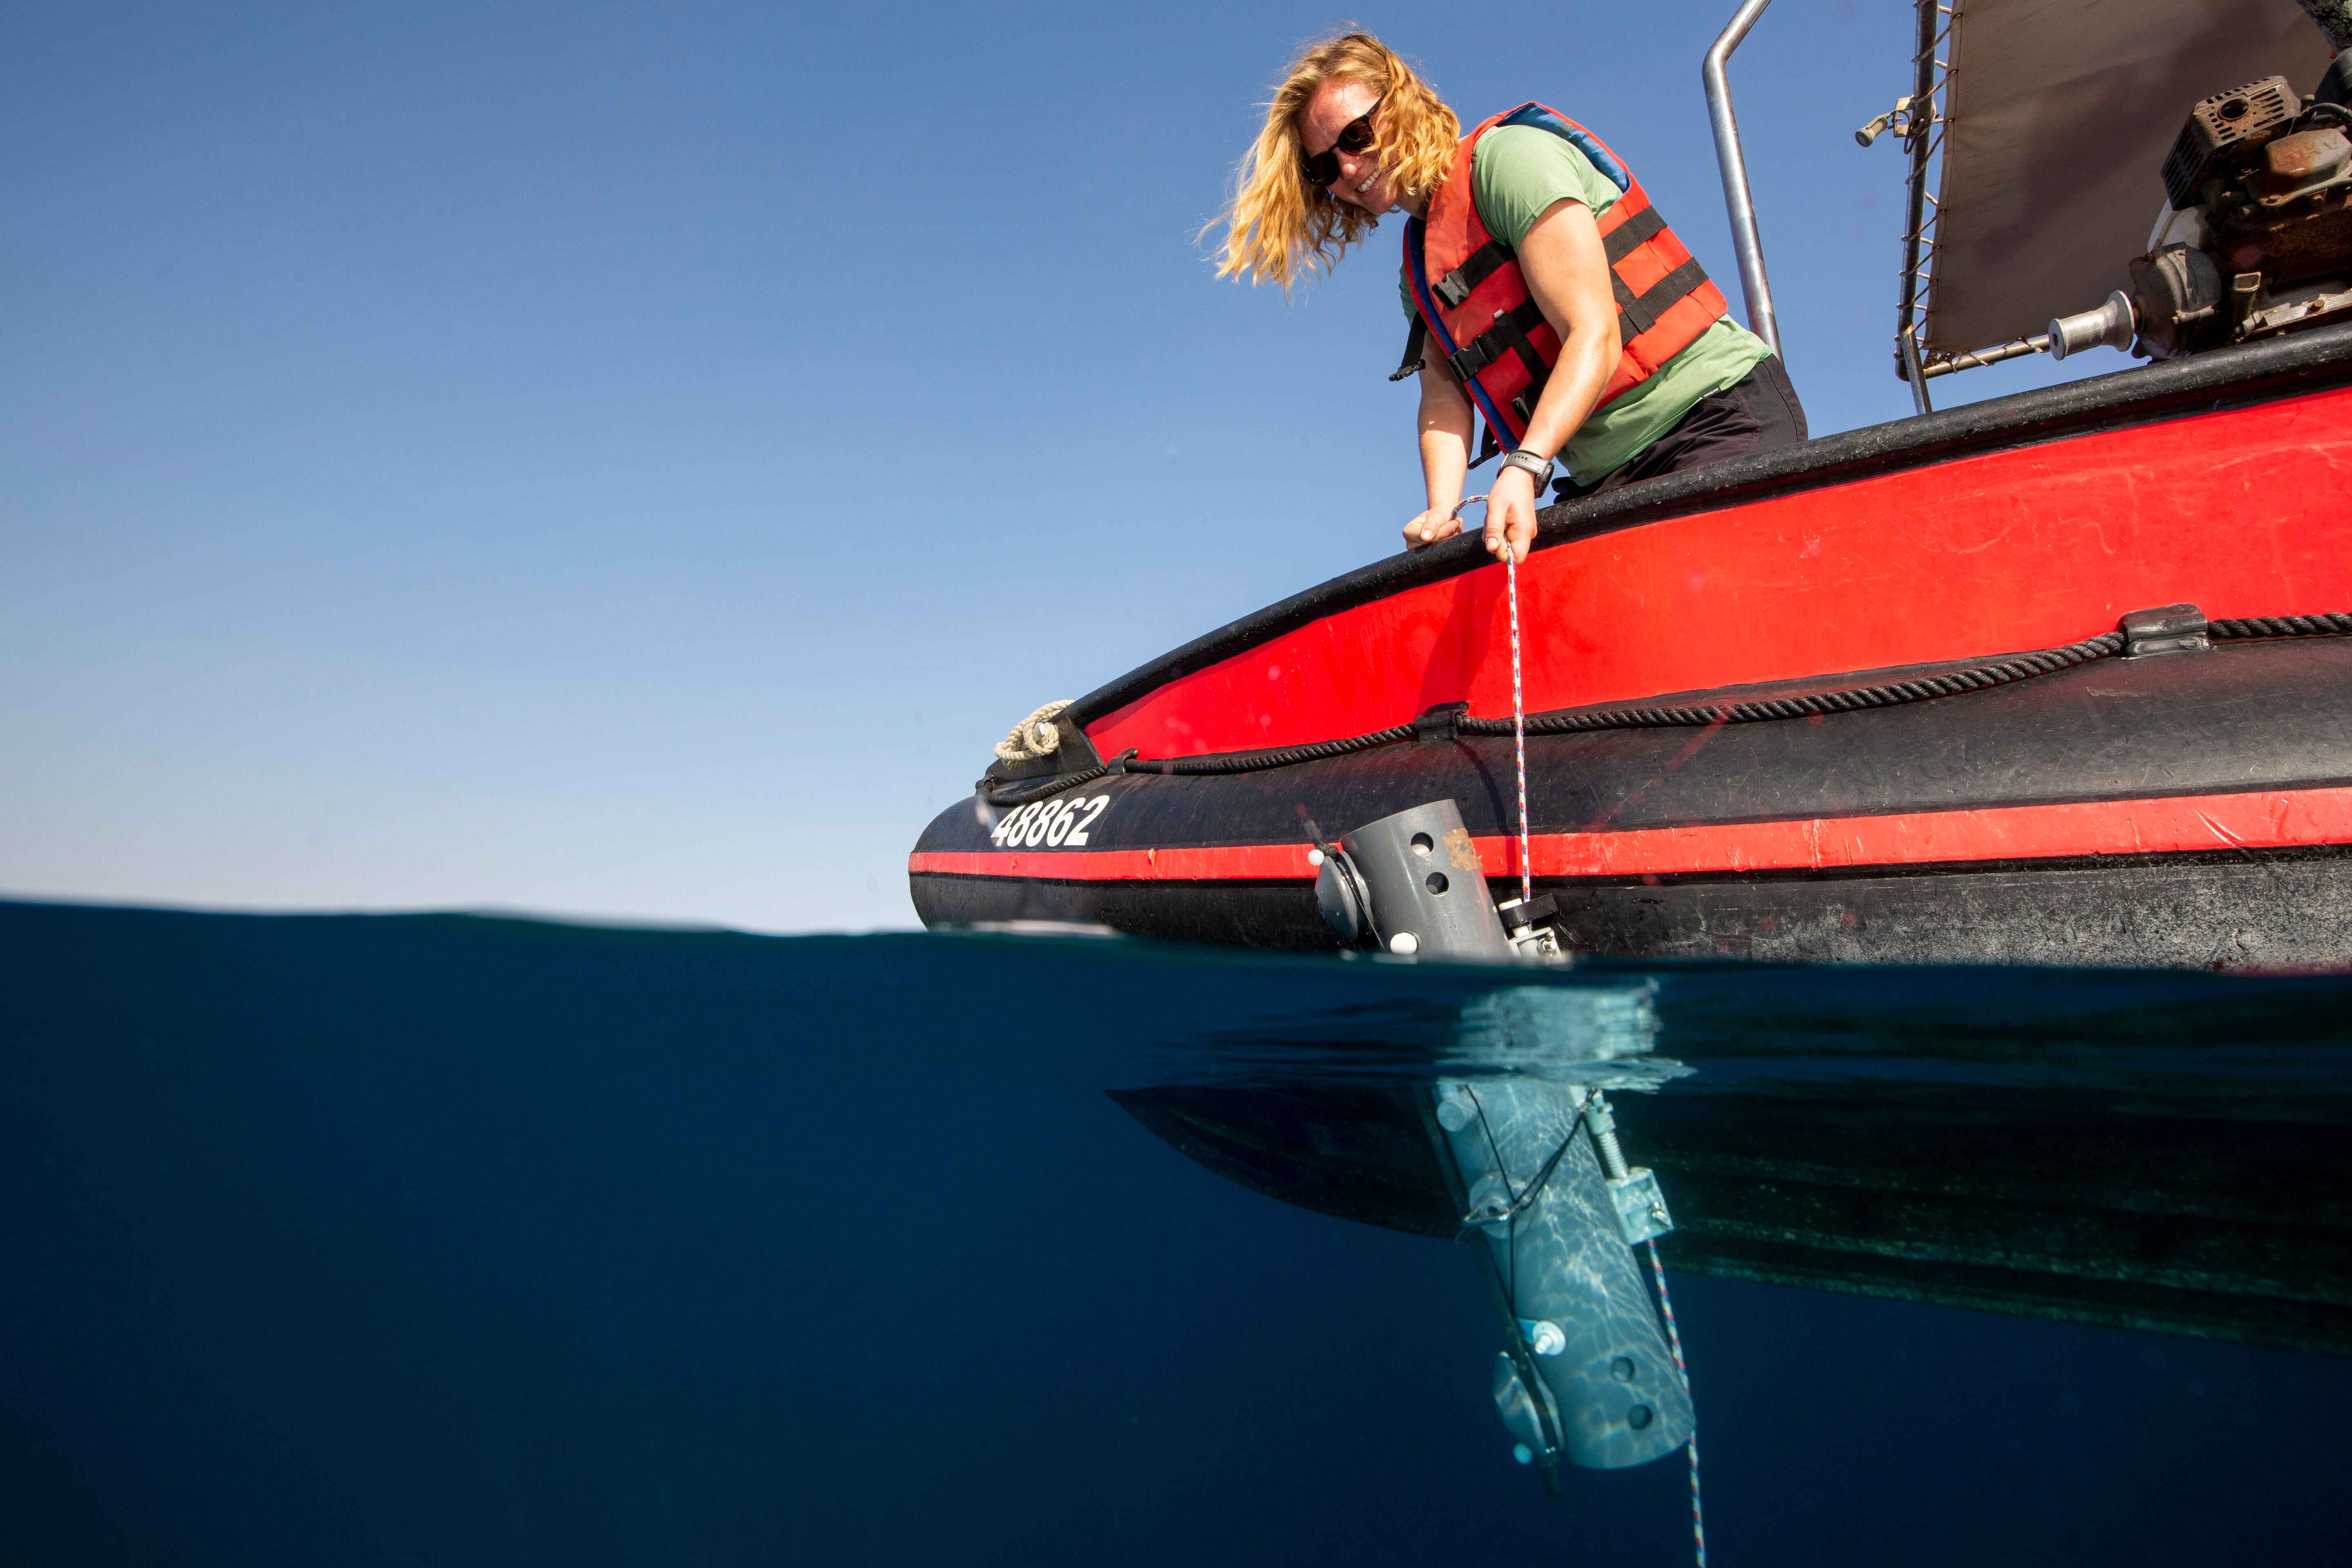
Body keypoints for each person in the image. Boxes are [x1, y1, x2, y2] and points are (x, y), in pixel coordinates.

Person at [1212, 32, 1807, 564]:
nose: (1348, 167)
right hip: (1604, 473)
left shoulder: (1509, 161)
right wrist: (1441, 510)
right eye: (1323, 167)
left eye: (1357, 135)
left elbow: (1593, 332)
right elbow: (1444, 397)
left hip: (1713, 418)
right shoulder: (1417, 271)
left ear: (1403, 104)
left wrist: (1524, 464)